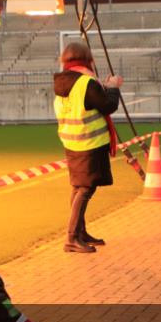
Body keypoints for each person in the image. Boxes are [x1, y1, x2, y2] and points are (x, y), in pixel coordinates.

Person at [53, 42, 122, 253]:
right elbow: (108, 106)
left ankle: (80, 232)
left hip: (72, 142)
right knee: (85, 188)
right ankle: (72, 237)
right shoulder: (85, 83)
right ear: (87, 59)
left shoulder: (63, 82)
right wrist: (113, 88)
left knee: (78, 187)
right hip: (89, 143)